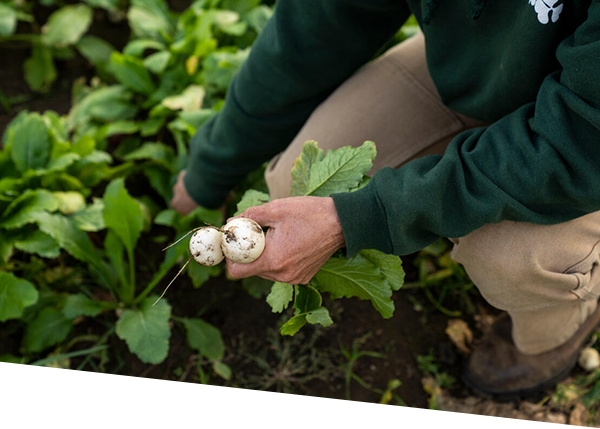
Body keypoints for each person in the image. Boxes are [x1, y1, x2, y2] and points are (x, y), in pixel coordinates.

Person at [170, 0, 600, 398]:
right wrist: (212, 166)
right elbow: (314, 29)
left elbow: (580, 141)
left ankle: (558, 325)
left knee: (511, 258)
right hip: (487, 66)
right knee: (298, 182)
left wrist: (362, 217)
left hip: (585, 137)